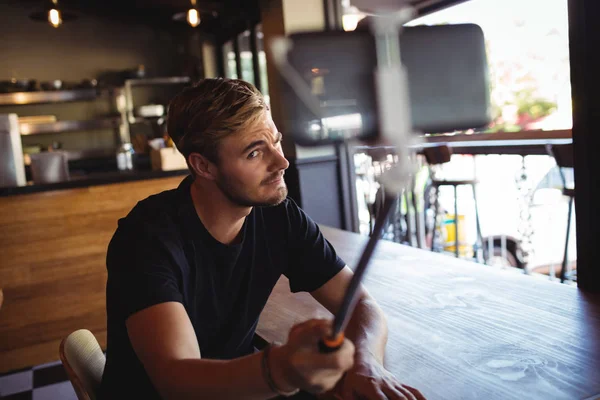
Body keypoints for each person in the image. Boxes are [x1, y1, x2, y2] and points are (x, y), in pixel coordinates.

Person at [99, 78, 424, 400]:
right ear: (203, 165)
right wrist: (282, 368)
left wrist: (365, 363)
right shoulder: (146, 238)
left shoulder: (277, 216)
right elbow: (177, 380)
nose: (281, 162)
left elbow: (361, 305)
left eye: (276, 142)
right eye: (255, 153)